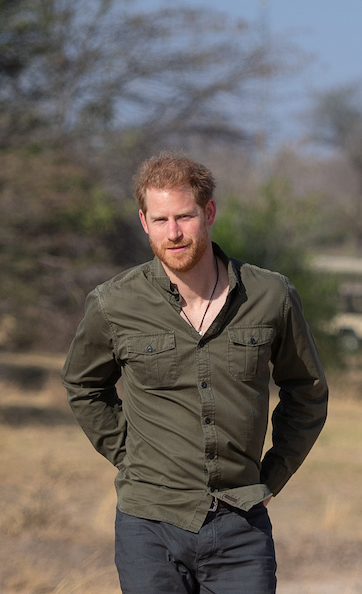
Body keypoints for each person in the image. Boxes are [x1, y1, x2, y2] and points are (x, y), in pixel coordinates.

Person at [61, 153, 329, 593]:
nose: (174, 232)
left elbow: (307, 389)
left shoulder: (271, 295)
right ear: (144, 222)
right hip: (149, 525)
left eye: (184, 216)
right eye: (161, 219)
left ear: (208, 212)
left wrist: (274, 473)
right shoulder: (113, 303)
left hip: (241, 525)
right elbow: (83, 384)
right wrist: (129, 455)